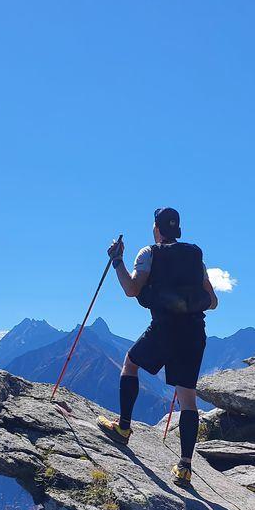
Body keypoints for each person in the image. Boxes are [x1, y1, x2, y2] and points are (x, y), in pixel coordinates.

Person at [97, 207, 218, 485]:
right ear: (177, 229)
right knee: (187, 396)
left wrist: (117, 260)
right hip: (194, 332)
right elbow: (212, 302)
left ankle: (124, 429)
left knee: (130, 363)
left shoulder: (149, 253)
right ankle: (185, 467)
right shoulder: (195, 257)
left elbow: (131, 289)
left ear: (157, 229)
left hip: (164, 328)